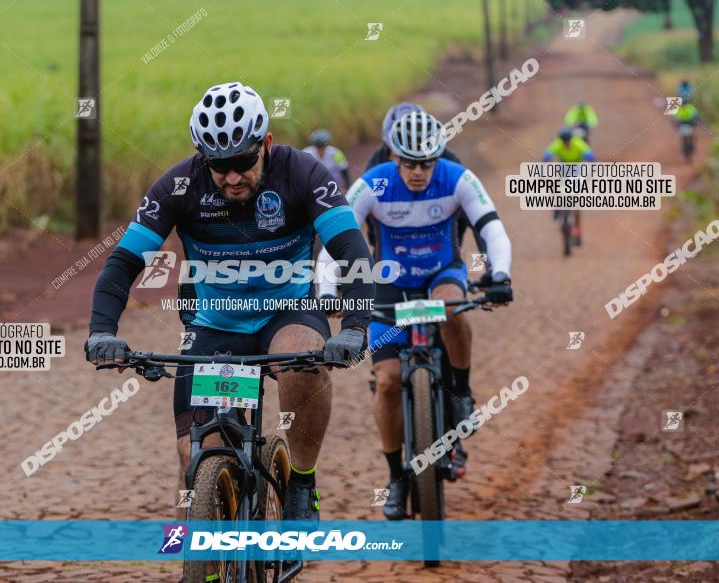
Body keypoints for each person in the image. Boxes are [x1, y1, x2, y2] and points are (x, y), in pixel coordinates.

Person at [85, 82, 375, 524]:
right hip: (214, 324)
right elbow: (124, 263)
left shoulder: (303, 173)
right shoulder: (180, 184)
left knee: (304, 363)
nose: (233, 177)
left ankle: (302, 480)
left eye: (242, 162)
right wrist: (103, 330)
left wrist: (355, 326)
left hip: (288, 312)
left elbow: (352, 251)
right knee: (192, 456)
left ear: (267, 144)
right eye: (220, 167)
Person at [317, 111, 514, 520]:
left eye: (427, 162)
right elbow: (335, 238)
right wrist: (328, 289)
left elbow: (490, 225)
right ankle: (396, 477)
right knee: (387, 383)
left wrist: (500, 274)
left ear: (438, 157)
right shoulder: (373, 183)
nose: (418, 172)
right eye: (409, 162)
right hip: (388, 286)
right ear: (394, 156)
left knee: (452, 310)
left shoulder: (457, 177)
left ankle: (460, 393)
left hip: (441, 274)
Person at [365, 102, 489, 277]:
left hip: (441, 232)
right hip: (394, 239)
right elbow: (368, 219)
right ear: (388, 146)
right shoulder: (376, 164)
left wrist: (486, 266)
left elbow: (475, 220)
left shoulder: (446, 159)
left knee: (466, 218)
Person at [543, 128, 595, 246]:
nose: (566, 144)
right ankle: (557, 206)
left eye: (568, 141)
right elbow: (546, 156)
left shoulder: (579, 144)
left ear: (572, 139)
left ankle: (577, 230)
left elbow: (591, 157)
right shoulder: (558, 144)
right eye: (564, 142)